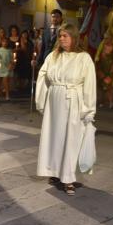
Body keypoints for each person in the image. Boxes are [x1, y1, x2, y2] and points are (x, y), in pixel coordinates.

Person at [36, 23, 96, 195]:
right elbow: (43, 75)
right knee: (54, 138)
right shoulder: (53, 56)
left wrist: (89, 109)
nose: (61, 39)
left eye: (65, 36)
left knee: (71, 139)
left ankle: (68, 178)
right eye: (60, 36)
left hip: (73, 102)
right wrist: (43, 99)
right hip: (54, 102)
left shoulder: (83, 58)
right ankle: (54, 172)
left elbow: (90, 84)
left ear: (74, 38)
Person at [96, 35, 113, 108]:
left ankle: (111, 101)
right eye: (105, 38)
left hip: (109, 69)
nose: (106, 39)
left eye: (108, 38)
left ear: (111, 39)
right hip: (101, 68)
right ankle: (102, 101)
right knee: (101, 86)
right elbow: (98, 57)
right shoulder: (101, 46)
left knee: (109, 85)